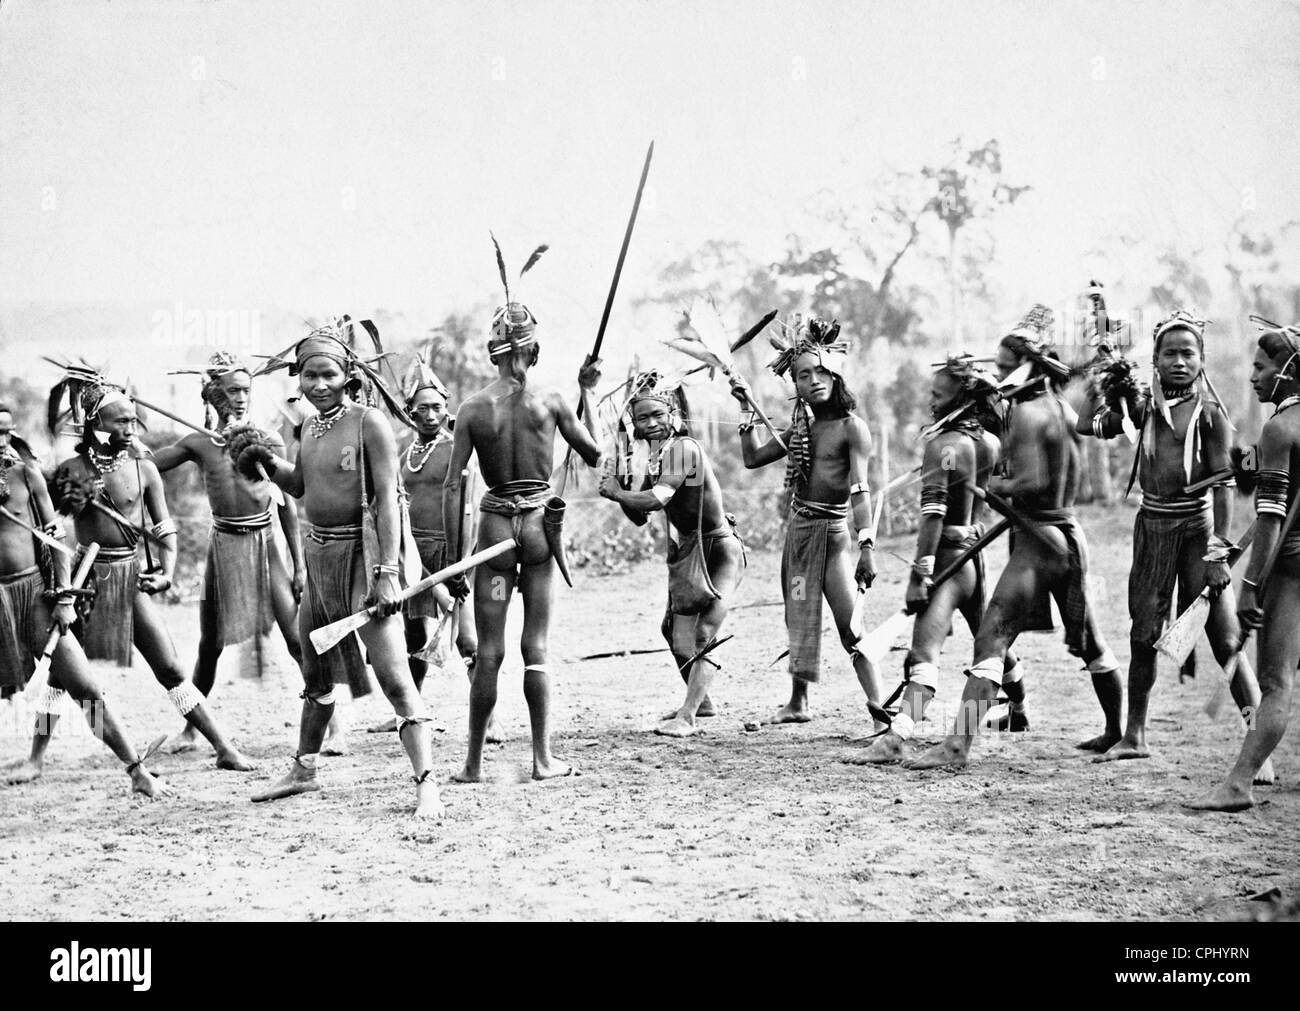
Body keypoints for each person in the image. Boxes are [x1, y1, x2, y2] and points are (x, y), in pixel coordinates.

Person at [230, 320, 442, 818]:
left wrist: (388, 571)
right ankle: (304, 769)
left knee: (393, 676)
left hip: (362, 560)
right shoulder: (308, 425)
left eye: (327, 374)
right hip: (318, 556)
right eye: (308, 376)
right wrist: (259, 459)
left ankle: (427, 783)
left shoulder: (369, 423)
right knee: (314, 668)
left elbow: (388, 499)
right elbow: (301, 485)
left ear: (348, 374)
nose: (318, 384)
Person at [905, 305, 1122, 770]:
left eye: (1005, 368)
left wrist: (994, 484)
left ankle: (957, 747)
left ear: (1029, 365)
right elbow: (1069, 484)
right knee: (1090, 643)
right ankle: (1117, 731)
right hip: (1068, 536)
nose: (999, 377)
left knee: (991, 639)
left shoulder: (1025, 414)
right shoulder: (1062, 408)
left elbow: (1032, 482)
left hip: (1035, 543)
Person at [1077, 310, 1271, 779]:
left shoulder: (1209, 414)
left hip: (1197, 534)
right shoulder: (1144, 409)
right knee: (1143, 634)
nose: (1179, 361)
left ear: (1202, 360)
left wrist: (1217, 554)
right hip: (1152, 529)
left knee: (1224, 638)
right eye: (1169, 354)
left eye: (1188, 353)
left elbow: (1224, 487)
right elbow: (1087, 425)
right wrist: (1102, 375)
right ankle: (1135, 736)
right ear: (1156, 362)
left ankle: (1258, 744)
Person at [43, 368, 252, 771]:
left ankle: (223, 747)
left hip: (128, 578)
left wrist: (168, 569)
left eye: (132, 419)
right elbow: (52, 530)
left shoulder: (144, 468)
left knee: (171, 668)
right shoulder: (73, 470)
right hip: (86, 582)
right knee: (61, 673)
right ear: (95, 423)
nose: (129, 426)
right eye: (120, 420)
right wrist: (64, 584)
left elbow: (165, 526)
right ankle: (36, 757)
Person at [443, 288, 602, 783]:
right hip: (536, 531)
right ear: (532, 350)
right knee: (536, 648)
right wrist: (589, 391)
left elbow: (453, 486)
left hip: (493, 534)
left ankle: (472, 765)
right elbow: (594, 454)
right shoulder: (552, 400)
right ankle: (542, 760)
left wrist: (456, 561)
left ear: (494, 353)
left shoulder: (472, 409)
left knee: (489, 652)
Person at [853, 355, 1023, 764]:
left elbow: (933, 515)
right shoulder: (989, 441)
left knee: (923, 655)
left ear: (961, 396)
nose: (930, 400)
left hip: (946, 559)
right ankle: (1020, 707)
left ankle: (895, 739)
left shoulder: (942, 445)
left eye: (937, 393)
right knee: (990, 639)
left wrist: (919, 574)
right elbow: (996, 491)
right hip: (974, 557)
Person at [0, 403, 163, 796]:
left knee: (84, 688)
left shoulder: (26, 474)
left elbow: (55, 540)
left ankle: (136, 770)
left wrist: (64, 597)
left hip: (33, 595)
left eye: (5, 433)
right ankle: (33, 758)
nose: (1, 442)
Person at [151, 351, 311, 753]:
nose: (240, 397)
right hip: (223, 546)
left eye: (246, 389)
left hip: (265, 544)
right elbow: (148, 467)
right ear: (213, 395)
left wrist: (299, 565)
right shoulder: (200, 444)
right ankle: (191, 729)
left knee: (294, 639)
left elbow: (286, 503)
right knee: (210, 644)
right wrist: (116, 448)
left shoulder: (267, 440)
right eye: (231, 390)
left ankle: (329, 721)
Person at [729, 314, 882, 725]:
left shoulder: (853, 429)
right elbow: (752, 457)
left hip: (832, 537)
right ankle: (798, 703)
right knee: (798, 614)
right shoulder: (800, 429)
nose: (811, 381)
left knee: (850, 626)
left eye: (818, 372)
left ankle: (880, 709)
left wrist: (867, 546)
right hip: (799, 533)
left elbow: (860, 491)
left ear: (835, 373)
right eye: (801, 376)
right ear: (793, 384)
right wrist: (746, 408)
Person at [1188, 321, 1300, 811]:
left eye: (1262, 367)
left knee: (1274, 683)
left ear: (1289, 372)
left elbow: (1271, 516)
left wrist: (1251, 585)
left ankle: (1238, 784)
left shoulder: (1281, 427)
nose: (1253, 376)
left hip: (1291, 568)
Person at [599, 370, 745, 736]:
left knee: (703, 633)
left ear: (673, 414)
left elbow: (657, 498)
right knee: (672, 630)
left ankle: (689, 716)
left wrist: (619, 493)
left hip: (719, 550)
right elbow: (639, 515)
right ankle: (702, 701)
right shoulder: (658, 457)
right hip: (691, 551)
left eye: (657, 415)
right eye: (642, 417)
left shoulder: (683, 449)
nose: (650, 424)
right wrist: (618, 484)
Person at [366, 358, 487, 737]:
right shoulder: (404, 457)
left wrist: (460, 564)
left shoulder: (456, 450)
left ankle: (489, 718)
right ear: (409, 413)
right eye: (423, 408)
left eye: (437, 407)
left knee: (466, 637)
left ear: (447, 408)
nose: (431, 415)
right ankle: (409, 709)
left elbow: (468, 507)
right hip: (415, 556)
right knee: (414, 636)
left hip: (450, 553)